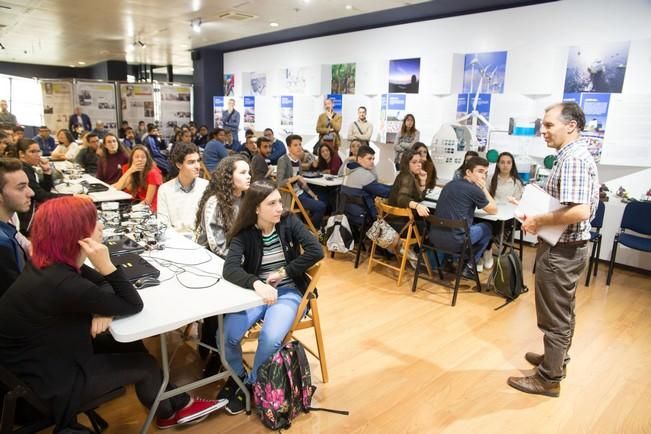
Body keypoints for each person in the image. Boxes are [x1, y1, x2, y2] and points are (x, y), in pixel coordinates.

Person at [0, 196, 226, 431]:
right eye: (94, 221)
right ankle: (172, 411)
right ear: (78, 234)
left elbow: (102, 286)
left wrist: (104, 308)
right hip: (45, 384)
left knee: (130, 344)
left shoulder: (48, 264)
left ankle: (175, 407)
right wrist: (106, 266)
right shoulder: (64, 283)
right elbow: (132, 303)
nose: (100, 226)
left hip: (40, 359)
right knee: (146, 365)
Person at [507, 102, 599, 397]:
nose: (542, 131)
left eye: (548, 125)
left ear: (570, 126)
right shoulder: (571, 155)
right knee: (563, 311)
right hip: (567, 247)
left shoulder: (573, 159)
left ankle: (549, 378)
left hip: (562, 251)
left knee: (554, 317)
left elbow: (580, 211)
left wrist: (538, 219)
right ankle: (556, 361)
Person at [219, 180, 324, 414]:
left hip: (288, 291)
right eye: (272, 203)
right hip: (257, 292)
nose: (280, 207)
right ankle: (239, 377)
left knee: (270, 338)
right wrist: (256, 283)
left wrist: (284, 272)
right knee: (225, 336)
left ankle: (253, 383)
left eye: (280, 201)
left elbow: (317, 251)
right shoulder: (245, 233)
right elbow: (230, 268)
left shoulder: (288, 222)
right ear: (256, 208)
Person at [429, 156, 497, 277]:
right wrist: (483, 188)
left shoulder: (450, 184)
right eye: (480, 171)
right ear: (468, 172)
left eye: (485, 173)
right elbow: (493, 210)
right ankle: (470, 266)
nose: (483, 176)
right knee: (487, 228)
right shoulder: (474, 190)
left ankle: (454, 260)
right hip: (456, 242)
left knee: (467, 226)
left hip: (434, 237)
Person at [195, 155, 250, 256]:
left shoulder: (246, 198)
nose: (248, 176)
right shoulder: (215, 203)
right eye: (243, 173)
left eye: (248, 172)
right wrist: (244, 260)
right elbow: (217, 246)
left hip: (238, 253)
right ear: (228, 177)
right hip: (212, 258)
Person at [16, 139, 71, 235]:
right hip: (27, 219)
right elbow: (41, 196)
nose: (37, 155)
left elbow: (44, 190)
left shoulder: (28, 168)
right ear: (21, 153)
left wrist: (46, 171)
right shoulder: (23, 170)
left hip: (31, 212)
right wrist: (72, 197)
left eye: (38, 151)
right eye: (32, 152)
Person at [276, 134, 326, 229]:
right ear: (289, 148)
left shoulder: (298, 161)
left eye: (300, 144)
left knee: (323, 198)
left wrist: (313, 195)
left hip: (300, 192)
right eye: (295, 145)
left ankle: (308, 225)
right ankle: (313, 228)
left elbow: (301, 183)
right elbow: (279, 183)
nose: (299, 147)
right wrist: (296, 177)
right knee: (321, 206)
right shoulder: (283, 160)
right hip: (292, 196)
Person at [157, 142, 208, 236]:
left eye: (198, 161)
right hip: (174, 241)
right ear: (179, 165)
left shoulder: (206, 186)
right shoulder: (165, 190)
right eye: (191, 162)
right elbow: (163, 224)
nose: (197, 166)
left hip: (199, 242)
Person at [387, 149, 430, 255]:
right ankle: (414, 252)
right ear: (407, 164)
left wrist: (423, 181)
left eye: (419, 161)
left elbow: (419, 198)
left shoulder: (404, 175)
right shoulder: (407, 177)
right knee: (432, 227)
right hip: (401, 226)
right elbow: (402, 199)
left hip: (392, 223)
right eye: (414, 162)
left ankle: (409, 250)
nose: (419, 165)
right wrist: (417, 206)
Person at [0, 158, 33, 296]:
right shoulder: (3, 245)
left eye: (28, 185)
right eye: (21, 187)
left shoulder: (10, 220)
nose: (31, 192)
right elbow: (19, 294)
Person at [112, 145, 163, 211]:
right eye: (136, 157)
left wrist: (131, 209)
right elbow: (118, 187)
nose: (140, 159)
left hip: (151, 208)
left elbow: (148, 201)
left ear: (147, 159)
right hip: (138, 203)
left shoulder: (153, 173)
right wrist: (130, 170)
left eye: (143, 157)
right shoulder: (131, 168)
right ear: (132, 158)